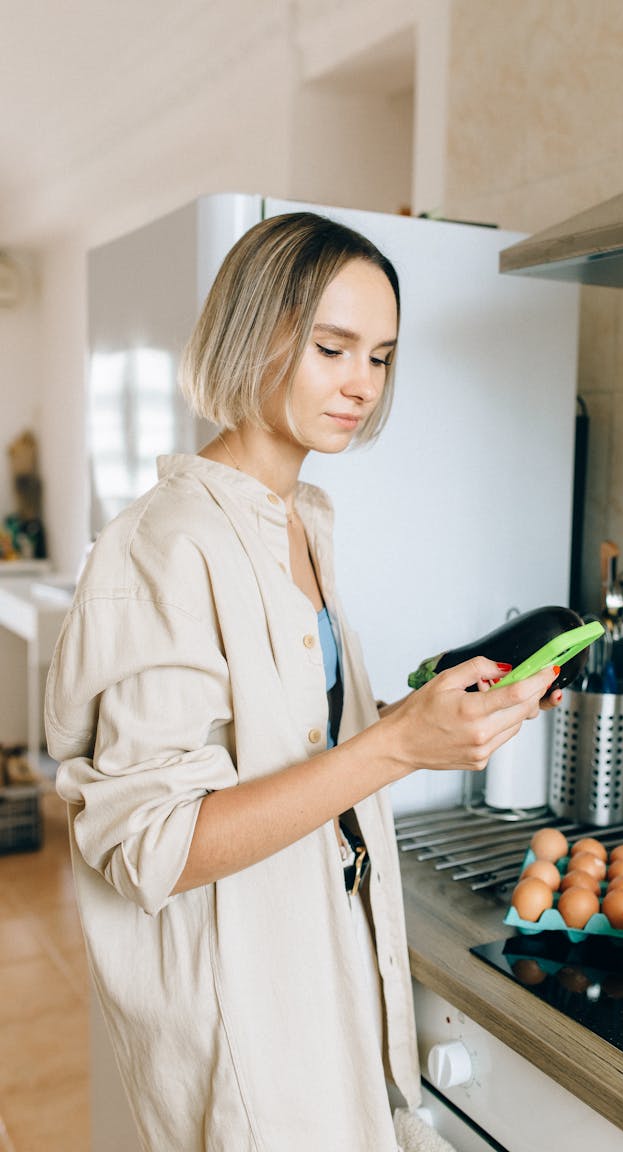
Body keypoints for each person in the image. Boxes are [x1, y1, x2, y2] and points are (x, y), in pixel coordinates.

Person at [45, 211, 561, 1152]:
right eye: (334, 347)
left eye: (383, 357)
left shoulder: (301, 518)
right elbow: (150, 845)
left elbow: (311, 747)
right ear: (254, 332)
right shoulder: (166, 544)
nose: (362, 385)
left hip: (330, 961)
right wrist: (398, 744)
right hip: (246, 1009)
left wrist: (425, 718)